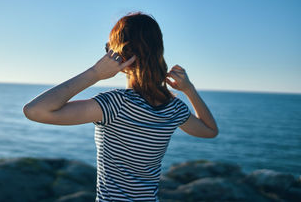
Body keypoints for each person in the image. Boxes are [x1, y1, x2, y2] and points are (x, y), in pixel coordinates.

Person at [23, 12, 219, 201]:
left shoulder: (115, 104)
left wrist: (95, 73)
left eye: (109, 47)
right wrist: (189, 90)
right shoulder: (173, 108)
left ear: (120, 55)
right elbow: (210, 131)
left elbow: (35, 111)